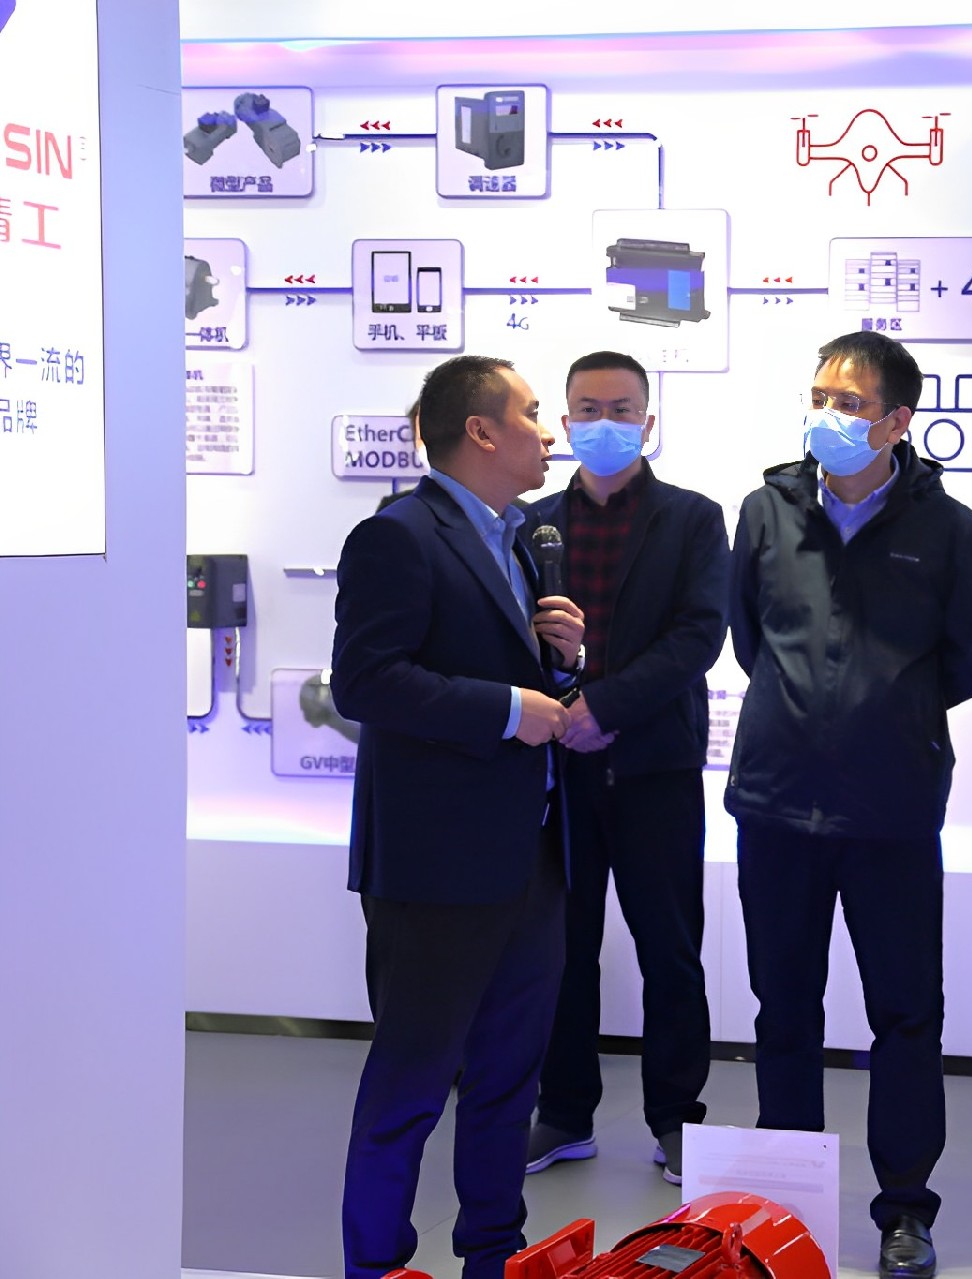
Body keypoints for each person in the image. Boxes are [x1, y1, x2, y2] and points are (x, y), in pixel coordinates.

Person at [726, 329, 972, 1279]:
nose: (827, 416)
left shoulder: (951, 529)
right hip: (776, 803)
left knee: (907, 1015)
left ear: (896, 421)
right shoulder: (765, 510)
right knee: (782, 1010)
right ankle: (784, 1206)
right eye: (819, 398)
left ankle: (905, 1211)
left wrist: (885, 715)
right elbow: (750, 640)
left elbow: (967, 663)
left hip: (891, 810)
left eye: (848, 402)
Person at [331, 354, 586, 1279]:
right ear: (480, 430)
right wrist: (510, 710)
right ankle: (376, 1264)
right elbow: (366, 681)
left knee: (508, 1083)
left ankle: (493, 1255)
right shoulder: (398, 535)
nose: (550, 433)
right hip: (435, 868)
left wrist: (564, 664)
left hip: (530, 857)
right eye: (531, 413)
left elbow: (518, 679)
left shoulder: (521, 538)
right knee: (409, 1084)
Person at [523, 351, 727, 1185]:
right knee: (560, 946)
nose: (602, 422)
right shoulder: (531, 522)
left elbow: (697, 635)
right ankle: (564, 1111)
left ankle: (677, 1118)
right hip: (557, 769)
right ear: (565, 421)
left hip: (654, 765)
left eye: (620, 409)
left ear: (647, 421)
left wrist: (603, 707)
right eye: (587, 408)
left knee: (670, 949)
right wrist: (561, 712)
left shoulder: (692, 519)